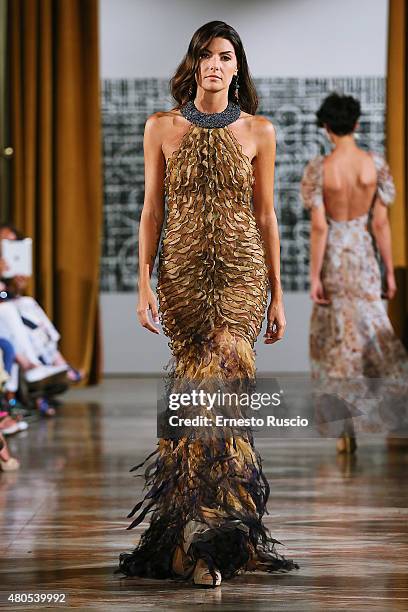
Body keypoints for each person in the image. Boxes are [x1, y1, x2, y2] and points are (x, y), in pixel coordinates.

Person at [117, 21, 298, 587]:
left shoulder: (260, 131)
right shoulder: (161, 127)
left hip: (243, 276)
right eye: (205, 55)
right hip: (183, 276)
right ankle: (194, 534)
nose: (215, 65)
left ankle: (215, 538)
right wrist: (144, 284)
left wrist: (278, 294)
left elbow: (266, 215)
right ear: (193, 63)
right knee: (197, 400)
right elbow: (151, 211)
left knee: (223, 397)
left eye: (225, 56)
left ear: (237, 66)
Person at [301, 92, 408, 454]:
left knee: (336, 340)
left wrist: (315, 276)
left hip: (334, 257)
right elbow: (380, 223)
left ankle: (343, 423)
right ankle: (389, 410)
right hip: (363, 256)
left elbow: (319, 227)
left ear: (327, 128)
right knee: (371, 335)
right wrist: (389, 273)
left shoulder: (320, 168)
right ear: (357, 124)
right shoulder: (374, 165)